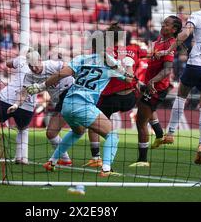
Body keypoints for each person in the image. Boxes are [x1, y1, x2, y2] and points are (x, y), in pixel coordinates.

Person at [26, 32, 134, 176]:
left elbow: (60, 74)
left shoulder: (81, 59)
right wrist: (129, 63)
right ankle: (106, 169)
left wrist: (40, 87)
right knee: (112, 135)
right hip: (84, 105)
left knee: (78, 131)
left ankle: (52, 161)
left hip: (67, 104)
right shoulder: (111, 64)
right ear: (108, 47)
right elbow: (129, 79)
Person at [158, 0, 201, 165]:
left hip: (196, 63)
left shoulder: (197, 15)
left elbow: (185, 33)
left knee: (181, 95)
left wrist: (169, 49)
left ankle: (170, 133)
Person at [82, 24, 142, 167]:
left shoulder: (103, 53)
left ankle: (96, 157)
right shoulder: (133, 50)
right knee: (145, 115)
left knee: (93, 123)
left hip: (110, 97)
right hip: (130, 97)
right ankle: (143, 157)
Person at [6, 50, 75, 166]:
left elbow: (70, 68)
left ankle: (89, 157)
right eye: (30, 66)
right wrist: (16, 105)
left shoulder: (52, 65)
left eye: (35, 65)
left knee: (53, 132)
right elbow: (24, 93)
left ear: (40, 60)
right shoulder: (29, 76)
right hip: (59, 100)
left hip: (71, 91)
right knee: (53, 133)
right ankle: (66, 159)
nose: (34, 68)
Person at [130, 16, 182, 166]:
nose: (163, 25)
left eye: (167, 24)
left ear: (174, 30)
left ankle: (143, 160)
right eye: (163, 22)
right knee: (144, 107)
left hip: (156, 88)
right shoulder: (159, 39)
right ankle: (159, 134)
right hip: (149, 84)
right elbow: (152, 56)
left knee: (141, 122)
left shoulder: (170, 44)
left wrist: (152, 81)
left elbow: (167, 70)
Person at [0, 53, 36, 165]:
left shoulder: (21, 59)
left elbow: (8, 64)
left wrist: (17, 62)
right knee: (23, 129)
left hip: (8, 98)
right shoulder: (46, 67)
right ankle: (21, 157)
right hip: (27, 104)